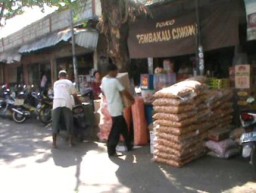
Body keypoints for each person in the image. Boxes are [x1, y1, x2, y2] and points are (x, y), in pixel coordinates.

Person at [100, 62, 135, 157]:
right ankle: (111, 150)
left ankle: (129, 145)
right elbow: (124, 92)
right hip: (117, 108)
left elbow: (103, 91)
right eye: (116, 71)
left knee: (124, 127)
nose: (117, 74)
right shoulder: (114, 81)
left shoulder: (104, 79)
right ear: (112, 71)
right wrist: (132, 99)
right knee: (116, 131)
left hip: (111, 107)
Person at [51, 70, 80, 148]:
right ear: (66, 76)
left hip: (56, 102)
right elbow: (74, 95)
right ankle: (70, 142)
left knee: (55, 123)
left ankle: (54, 143)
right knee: (69, 122)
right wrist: (79, 102)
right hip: (66, 102)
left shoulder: (55, 83)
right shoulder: (69, 82)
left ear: (59, 76)